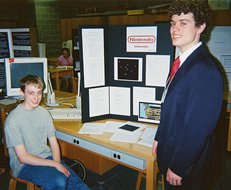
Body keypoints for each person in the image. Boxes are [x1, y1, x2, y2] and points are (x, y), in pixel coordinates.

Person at [152, 0, 224, 189]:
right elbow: (169, 106)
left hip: (187, 164)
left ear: (200, 26)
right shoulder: (182, 62)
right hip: (171, 148)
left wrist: (179, 166)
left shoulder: (205, 70)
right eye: (173, 23)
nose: (175, 29)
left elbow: (199, 127)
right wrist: (159, 137)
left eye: (183, 23)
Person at [4, 75, 90, 190]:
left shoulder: (44, 113)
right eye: (31, 93)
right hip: (23, 165)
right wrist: (55, 165)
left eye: (39, 92)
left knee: (79, 186)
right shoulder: (13, 119)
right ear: (22, 92)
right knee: (59, 181)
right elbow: (23, 157)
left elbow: (53, 142)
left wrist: (57, 163)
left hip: (46, 157)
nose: (36, 98)